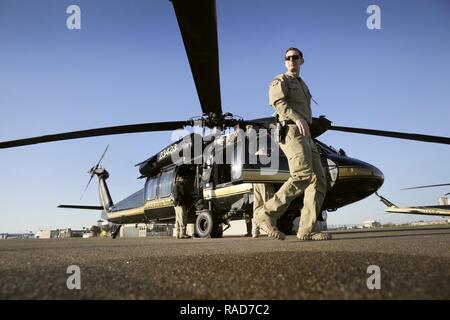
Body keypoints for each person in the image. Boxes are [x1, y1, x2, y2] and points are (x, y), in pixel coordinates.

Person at [253, 47, 331, 241]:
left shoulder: (303, 85)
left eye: (295, 57)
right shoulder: (281, 80)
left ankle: (306, 230)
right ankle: (266, 213)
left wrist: (312, 123)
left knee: (319, 180)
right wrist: (298, 119)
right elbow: (277, 102)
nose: (291, 60)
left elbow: (304, 112)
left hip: (305, 134)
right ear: (285, 62)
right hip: (291, 131)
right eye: (287, 58)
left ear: (302, 61)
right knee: (302, 175)